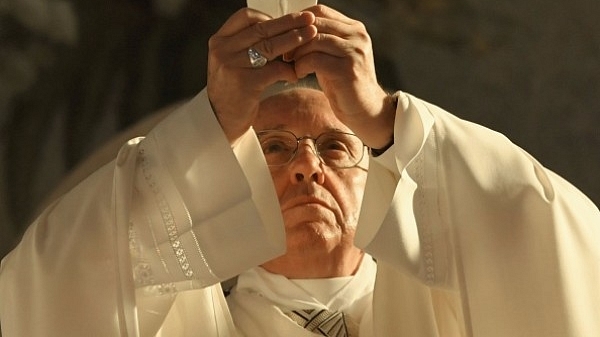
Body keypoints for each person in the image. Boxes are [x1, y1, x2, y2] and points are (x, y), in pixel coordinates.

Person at [1, 2, 599, 337]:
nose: (308, 168)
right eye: (276, 147)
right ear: (228, 184)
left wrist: (385, 116)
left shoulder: (454, 318)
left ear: (383, 177)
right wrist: (213, 120)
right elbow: (59, 279)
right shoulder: (176, 326)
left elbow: (556, 246)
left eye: (338, 147)